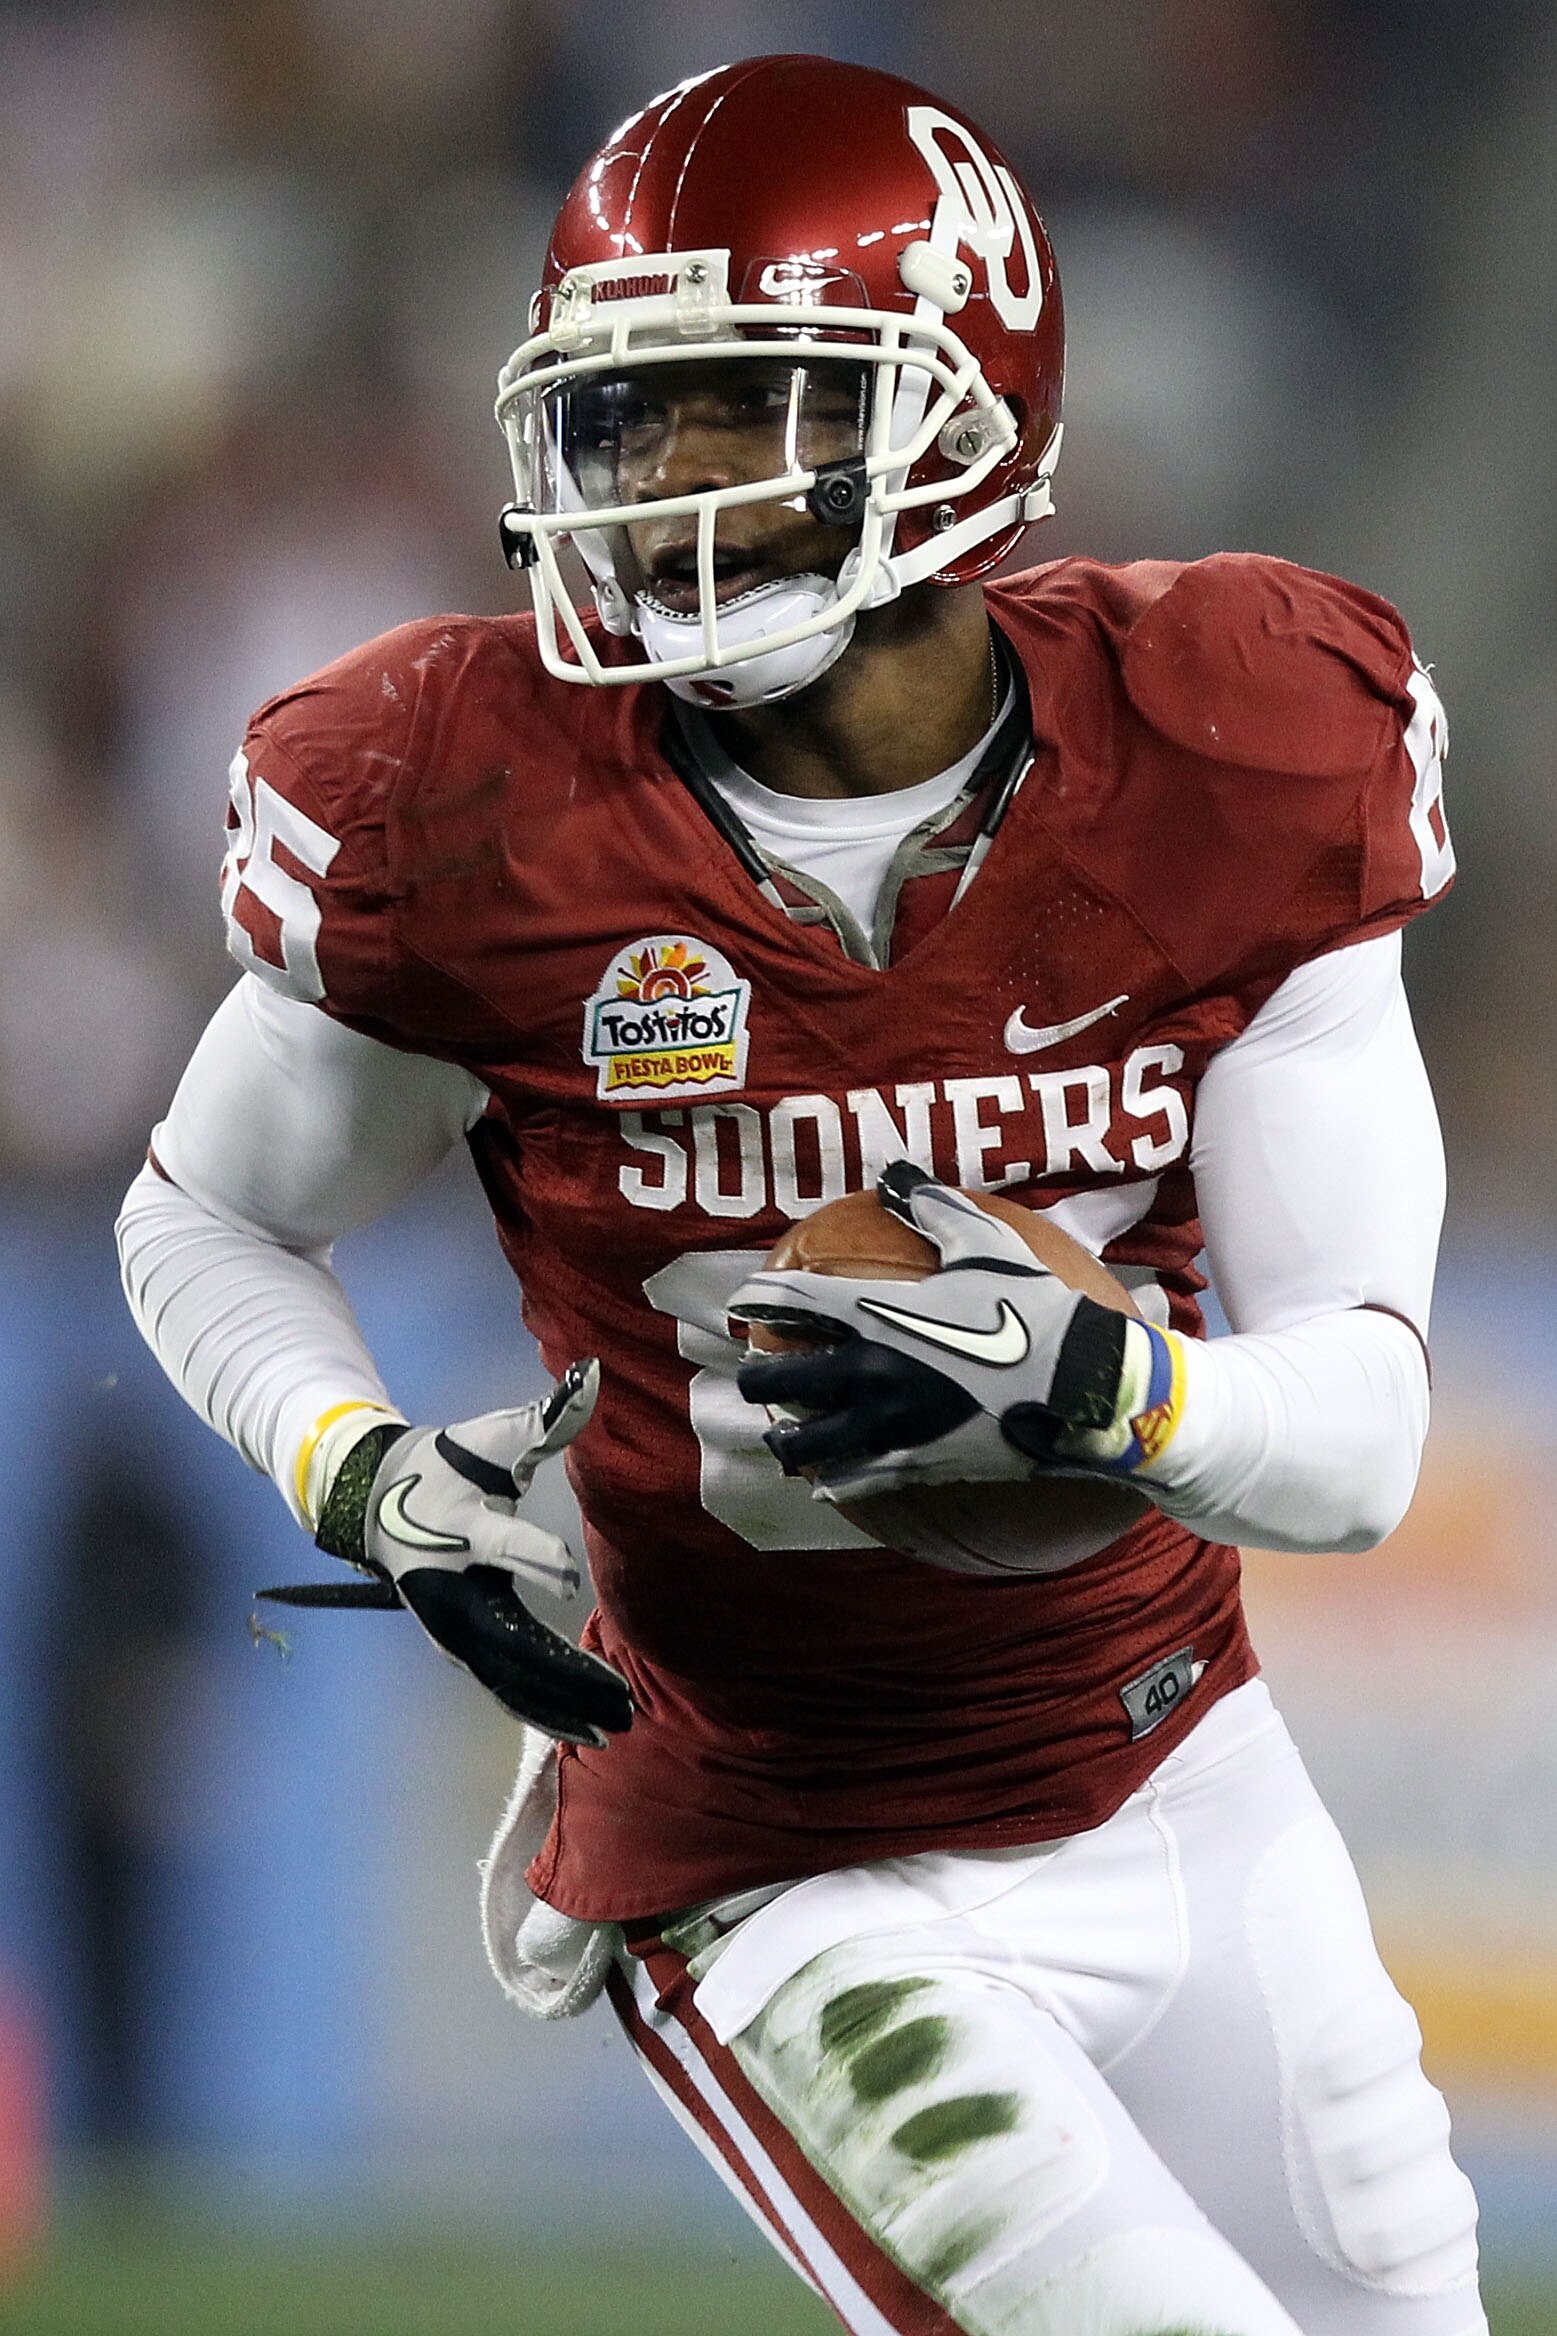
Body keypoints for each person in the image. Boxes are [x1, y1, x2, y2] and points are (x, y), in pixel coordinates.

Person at [116, 53, 1486, 2336]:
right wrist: (357, 1470)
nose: (651, 495)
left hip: (1174, 1772)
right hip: (766, 1858)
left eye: (731, 405)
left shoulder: (1234, 742)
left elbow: (1351, 1437)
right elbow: (205, 1214)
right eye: (617, 422)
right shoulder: (466, 809)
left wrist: (1103, 1392)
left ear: (952, 407)